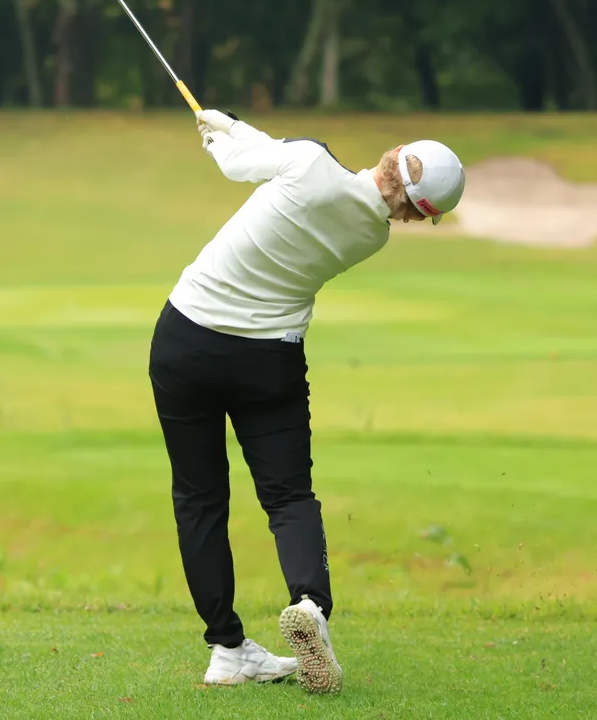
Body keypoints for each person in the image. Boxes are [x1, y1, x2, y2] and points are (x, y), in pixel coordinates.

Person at [147, 108, 466, 694]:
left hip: (185, 339)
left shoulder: (310, 160)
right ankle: (311, 605)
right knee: (289, 496)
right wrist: (234, 132)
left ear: (396, 150)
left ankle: (226, 650)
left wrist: (218, 130)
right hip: (268, 360)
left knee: (199, 499)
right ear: (418, 214)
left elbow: (243, 161)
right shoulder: (371, 234)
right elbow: (276, 155)